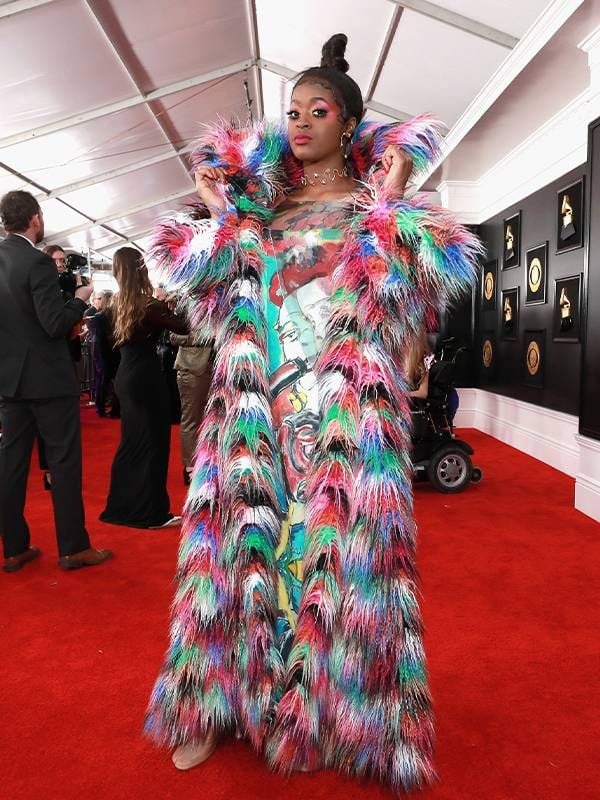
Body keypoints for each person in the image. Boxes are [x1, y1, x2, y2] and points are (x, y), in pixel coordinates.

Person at [144, 34, 480, 792]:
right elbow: (209, 297)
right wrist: (218, 211)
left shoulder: (373, 210)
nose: (298, 122)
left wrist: (392, 205)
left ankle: (330, 709)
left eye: (316, 110)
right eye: (291, 110)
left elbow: (413, 310)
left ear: (348, 122)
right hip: (256, 405)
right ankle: (219, 706)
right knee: (240, 555)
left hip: (340, 410)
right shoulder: (262, 209)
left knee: (333, 557)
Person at [0, 190, 113, 572]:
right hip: (47, 381)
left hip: (9, 383)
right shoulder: (37, 262)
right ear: (34, 218)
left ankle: (14, 547)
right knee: (63, 463)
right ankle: (73, 547)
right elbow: (54, 324)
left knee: (11, 465)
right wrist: (80, 300)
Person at [100, 247, 189, 529]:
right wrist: (179, 304)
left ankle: (121, 508)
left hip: (126, 376)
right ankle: (151, 513)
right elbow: (184, 327)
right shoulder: (148, 305)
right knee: (153, 442)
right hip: (147, 376)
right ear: (142, 270)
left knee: (131, 442)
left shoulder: (113, 306)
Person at [169, 327, 212, 485]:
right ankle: (191, 469)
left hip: (218, 369)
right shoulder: (187, 302)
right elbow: (173, 335)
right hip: (193, 370)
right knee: (192, 419)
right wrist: (207, 336)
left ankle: (209, 464)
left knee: (212, 421)